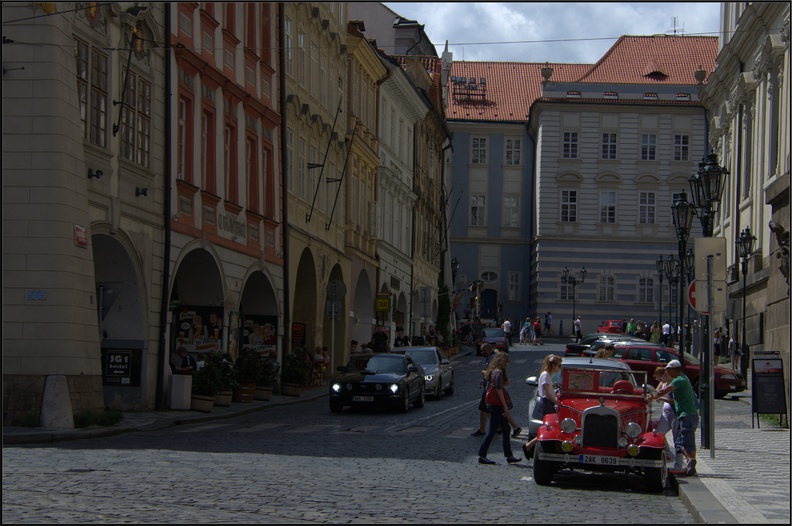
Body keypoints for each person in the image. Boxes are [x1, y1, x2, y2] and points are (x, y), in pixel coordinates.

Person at [649, 359, 699, 476]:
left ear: (672, 370)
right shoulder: (683, 378)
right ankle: (690, 464)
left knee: (682, 441)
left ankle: (689, 461)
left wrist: (652, 397)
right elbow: (661, 389)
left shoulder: (679, 380)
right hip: (687, 414)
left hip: (686, 414)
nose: (667, 373)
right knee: (687, 440)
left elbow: (664, 391)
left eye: (668, 370)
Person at [477, 352, 522, 465]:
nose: (507, 364)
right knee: (492, 430)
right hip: (496, 405)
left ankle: (509, 455)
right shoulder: (499, 372)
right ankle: (482, 455)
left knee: (506, 429)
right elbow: (498, 389)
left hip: (493, 404)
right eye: (507, 362)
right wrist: (505, 406)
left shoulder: (493, 371)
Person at [522, 354, 563, 457]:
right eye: (559, 365)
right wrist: (556, 402)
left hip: (547, 403)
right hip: (546, 403)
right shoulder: (545, 375)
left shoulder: (547, 375)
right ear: (554, 366)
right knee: (548, 427)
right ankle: (529, 446)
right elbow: (547, 393)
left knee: (549, 427)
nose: (559, 368)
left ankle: (529, 446)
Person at [651, 366, 685, 470]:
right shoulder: (663, 383)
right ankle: (667, 452)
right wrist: (652, 395)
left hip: (674, 413)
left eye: (660, 379)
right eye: (657, 379)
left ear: (666, 374)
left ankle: (679, 465)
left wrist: (661, 398)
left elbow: (674, 401)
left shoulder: (674, 383)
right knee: (657, 432)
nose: (659, 381)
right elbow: (656, 393)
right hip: (665, 413)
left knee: (676, 439)